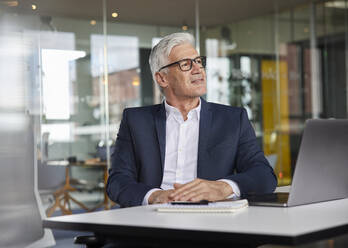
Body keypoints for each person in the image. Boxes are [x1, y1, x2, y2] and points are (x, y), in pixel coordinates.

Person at [107, 32, 277, 208]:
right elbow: (117, 181)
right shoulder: (136, 120)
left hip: (211, 220)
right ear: (162, 78)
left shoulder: (233, 119)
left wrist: (223, 187)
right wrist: (155, 196)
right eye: (186, 64)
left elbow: (263, 175)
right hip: (153, 217)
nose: (198, 69)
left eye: (198, 61)